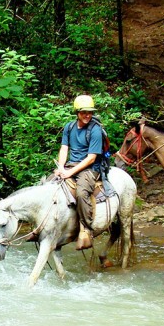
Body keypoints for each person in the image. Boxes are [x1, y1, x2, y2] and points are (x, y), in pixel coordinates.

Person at [54, 95, 103, 250]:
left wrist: (70, 173)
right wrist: (61, 167)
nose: (87, 115)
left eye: (90, 112)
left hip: (90, 168)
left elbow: (91, 158)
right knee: (48, 184)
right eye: (84, 112)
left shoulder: (95, 130)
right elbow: (64, 148)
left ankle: (86, 229)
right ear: (77, 112)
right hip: (71, 165)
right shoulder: (69, 127)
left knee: (82, 192)